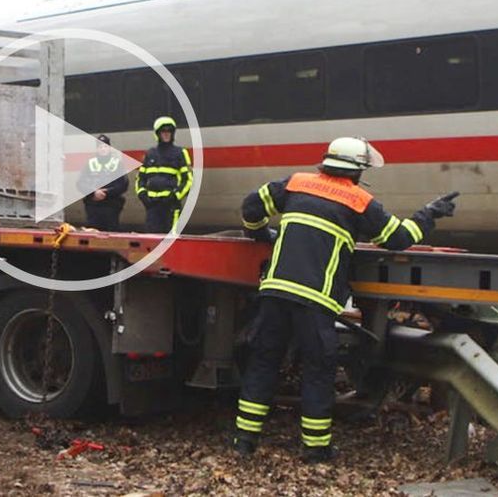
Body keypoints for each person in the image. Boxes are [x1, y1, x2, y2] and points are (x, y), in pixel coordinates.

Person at [231, 136, 458, 462]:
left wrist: (257, 233)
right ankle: (315, 448)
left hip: (276, 292)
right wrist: (430, 213)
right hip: (315, 301)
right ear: (356, 171)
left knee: (263, 363)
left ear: (326, 162)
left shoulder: (295, 183)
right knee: (318, 371)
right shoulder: (359, 201)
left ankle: (244, 441)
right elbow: (399, 239)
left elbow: (252, 206)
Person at [136, 117, 193, 233]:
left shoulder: (180, 153)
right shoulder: (150, 154)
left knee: (171, 241)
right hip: (152, 206)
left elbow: (188, 180)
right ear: (157, 134)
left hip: (170, 207)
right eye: (163, 132)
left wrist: (175, 196)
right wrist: (142, 194)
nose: (166, 135)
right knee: (152, 240)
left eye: (169, 132)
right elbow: (140, 179)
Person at [76, 134, 129, 231]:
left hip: (111, 206)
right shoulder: (90, 164)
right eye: (100, 147)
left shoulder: (117, 164)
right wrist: (93, 192)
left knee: (111, 235)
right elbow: (80, 184)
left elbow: (123, 185)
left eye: (105, 146)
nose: (103, 149)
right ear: (97, 149)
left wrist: (106, 193)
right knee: (93, 235)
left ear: (110, 148)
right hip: (93, 207)